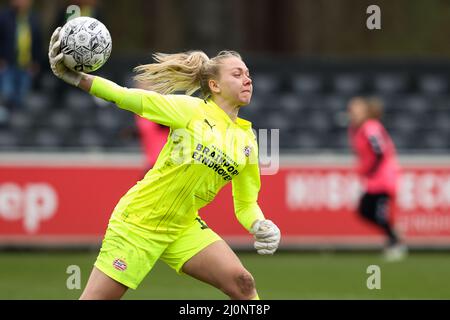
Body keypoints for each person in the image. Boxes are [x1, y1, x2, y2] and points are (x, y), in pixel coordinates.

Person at [48, 27, 281, 300]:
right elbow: (124, 96)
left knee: (243, 283)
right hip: (139, 222)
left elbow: (245, 203)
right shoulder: (190, 110)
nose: (247, 80)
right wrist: (75, 77)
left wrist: (259, 223)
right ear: (214, 85)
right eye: (237, 74)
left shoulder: (248, 141)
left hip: (183, 226)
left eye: (248, 74)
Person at [347, 97, 407, 261]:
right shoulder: (355, 129)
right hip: (374, 179)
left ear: (365, 112)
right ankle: (393, 235)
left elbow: (379, 151)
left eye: (356, 109)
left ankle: (394, 242)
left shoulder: (370, 127)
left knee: (379, 213)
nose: (352, 113)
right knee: (365, 211)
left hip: (383, 178)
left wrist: (370, 171)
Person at [0, 0, 42, 109]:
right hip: (7, 65)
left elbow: (38, 42)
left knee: (22, 98)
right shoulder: (3, 17)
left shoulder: (33, 18)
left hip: (26, 66)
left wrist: (36, 62)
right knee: (7, 96)